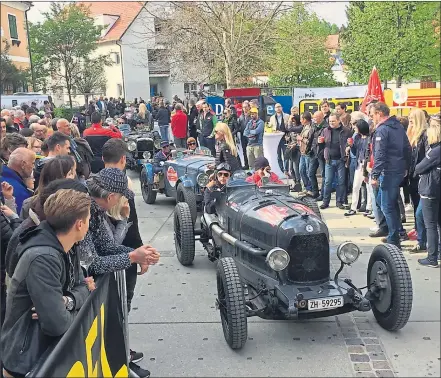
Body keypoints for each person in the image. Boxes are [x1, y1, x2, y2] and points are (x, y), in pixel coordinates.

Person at [1, 189, 90, 378]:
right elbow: (57, 323)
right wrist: (73, 305)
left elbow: (84, 285)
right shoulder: (43, 258)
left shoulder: (67, 245)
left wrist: (68, 301)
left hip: (46, 353)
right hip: (27, 361)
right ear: (80, 224)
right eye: (89, 220)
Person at [102, 139, 150, 370]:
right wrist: (139, 253)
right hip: (120, 257)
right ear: (123, 160)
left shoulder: (97, 185)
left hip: (109, 258)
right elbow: (130, 226)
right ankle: (121, 354)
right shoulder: (123, 190)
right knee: (122, 306)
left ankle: (121, 349)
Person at [371, 102, 411, 247]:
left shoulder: (383, 130)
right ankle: (396, 232)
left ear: (379, 113)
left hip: (388, 171)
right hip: (397, 169)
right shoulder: (398, 126)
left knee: (386, 205)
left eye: (373, 114)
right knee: (388, 203)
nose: (372, 117)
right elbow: (407, 148)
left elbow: (380, 154)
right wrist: (406, 166)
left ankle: (394, 238)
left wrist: (374, 175)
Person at [414, 119, 440, 267]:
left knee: (430, 224)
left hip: (430, 189)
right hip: (436, 188)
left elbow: (420, 167)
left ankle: (432, 258)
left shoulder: (436, 150)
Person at [320, 113, 353, 210]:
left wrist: (349, 146)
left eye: (333, 121)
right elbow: (321, 145)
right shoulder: (325, 130)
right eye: (330, 121)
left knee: (341, 182)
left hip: (341, 160)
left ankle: (339, 201)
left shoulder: (346, 131)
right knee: (327, 181)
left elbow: (350, 144)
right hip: (329, 160)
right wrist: (320, 143)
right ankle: (326, 202)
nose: (331, 123)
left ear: (339, 121)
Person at [406, 108, 428, 230]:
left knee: (420, 207)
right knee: (415, 203)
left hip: (421, 175)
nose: (410, 124)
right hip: (412, 175)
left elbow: (425, 157)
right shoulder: (411, 135)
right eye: (409, 121)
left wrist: (419, 170)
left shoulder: (424, 135)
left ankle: (421, 234)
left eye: (412, 121)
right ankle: (417, 230)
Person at [345, 120, 371, 216]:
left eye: (356, 127)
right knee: (356, 186)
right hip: (359, 163)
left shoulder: (369, 138)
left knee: (368, 187)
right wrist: (351, 146)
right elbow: (355, 150)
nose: (354, 128)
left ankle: (369, 207)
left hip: (366, 163)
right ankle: (353, 207)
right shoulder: (358, 137)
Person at [0, 148, 35, 214]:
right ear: (23, 164)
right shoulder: (16, 188)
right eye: (32, 163)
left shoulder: (4, 176)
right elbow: (20, 218)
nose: (34, 167)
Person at [308, 111, 328, 200]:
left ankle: (323, 194)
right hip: (313, 152)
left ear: (320, 117)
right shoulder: (314, 126)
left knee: (324, 174)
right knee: (311, 173)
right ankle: (315, 191)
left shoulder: (326, 127)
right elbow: (311, 138)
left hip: (321, 153)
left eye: (315, 117)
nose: (313, 119)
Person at [269, 103, 290, 175]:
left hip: (285, 138)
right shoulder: (272, 118)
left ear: (282, 108)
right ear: (274, 109)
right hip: (276, 139)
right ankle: (281, 170)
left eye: (279, 107)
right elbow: (270, 128)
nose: (278, 108)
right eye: (276, 107)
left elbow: (289, 127)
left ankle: (286, 170)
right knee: (278, 155)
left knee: (286, 154)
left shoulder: (287, 116)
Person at [297, 112, 314, 194]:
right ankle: (306, 188)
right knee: (301, 170)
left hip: (307, 153)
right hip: (302, 152)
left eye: (301, 119)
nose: (300, 120)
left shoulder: (311, 128)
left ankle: (310, 189)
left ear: (305, 119)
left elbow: (309, 142)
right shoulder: (304, 127)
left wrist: (301, 139)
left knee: (308, 171)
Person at [285, 112, 302, 191]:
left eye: (294, 120)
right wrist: (288, 138)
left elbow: (289, 128)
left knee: (296, 167)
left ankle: (298, 183)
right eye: (292, 121)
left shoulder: (300, 127)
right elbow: (288, 131)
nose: (292, 122)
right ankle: (295, 182)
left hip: (297, 149)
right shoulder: (292, 127)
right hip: (290, 148)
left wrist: (289, 121)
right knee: (291, 168)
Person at [237, 101, 251, 169]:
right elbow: (239, 127)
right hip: (243, 136)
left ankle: (252, 165)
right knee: (244, 150)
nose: (244, 108)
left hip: (250, 136)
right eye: (243, 107)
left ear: (249, 107)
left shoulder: (251, 115)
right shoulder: (241, 116)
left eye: (246, 107)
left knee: (250, 151)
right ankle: (246, 165)